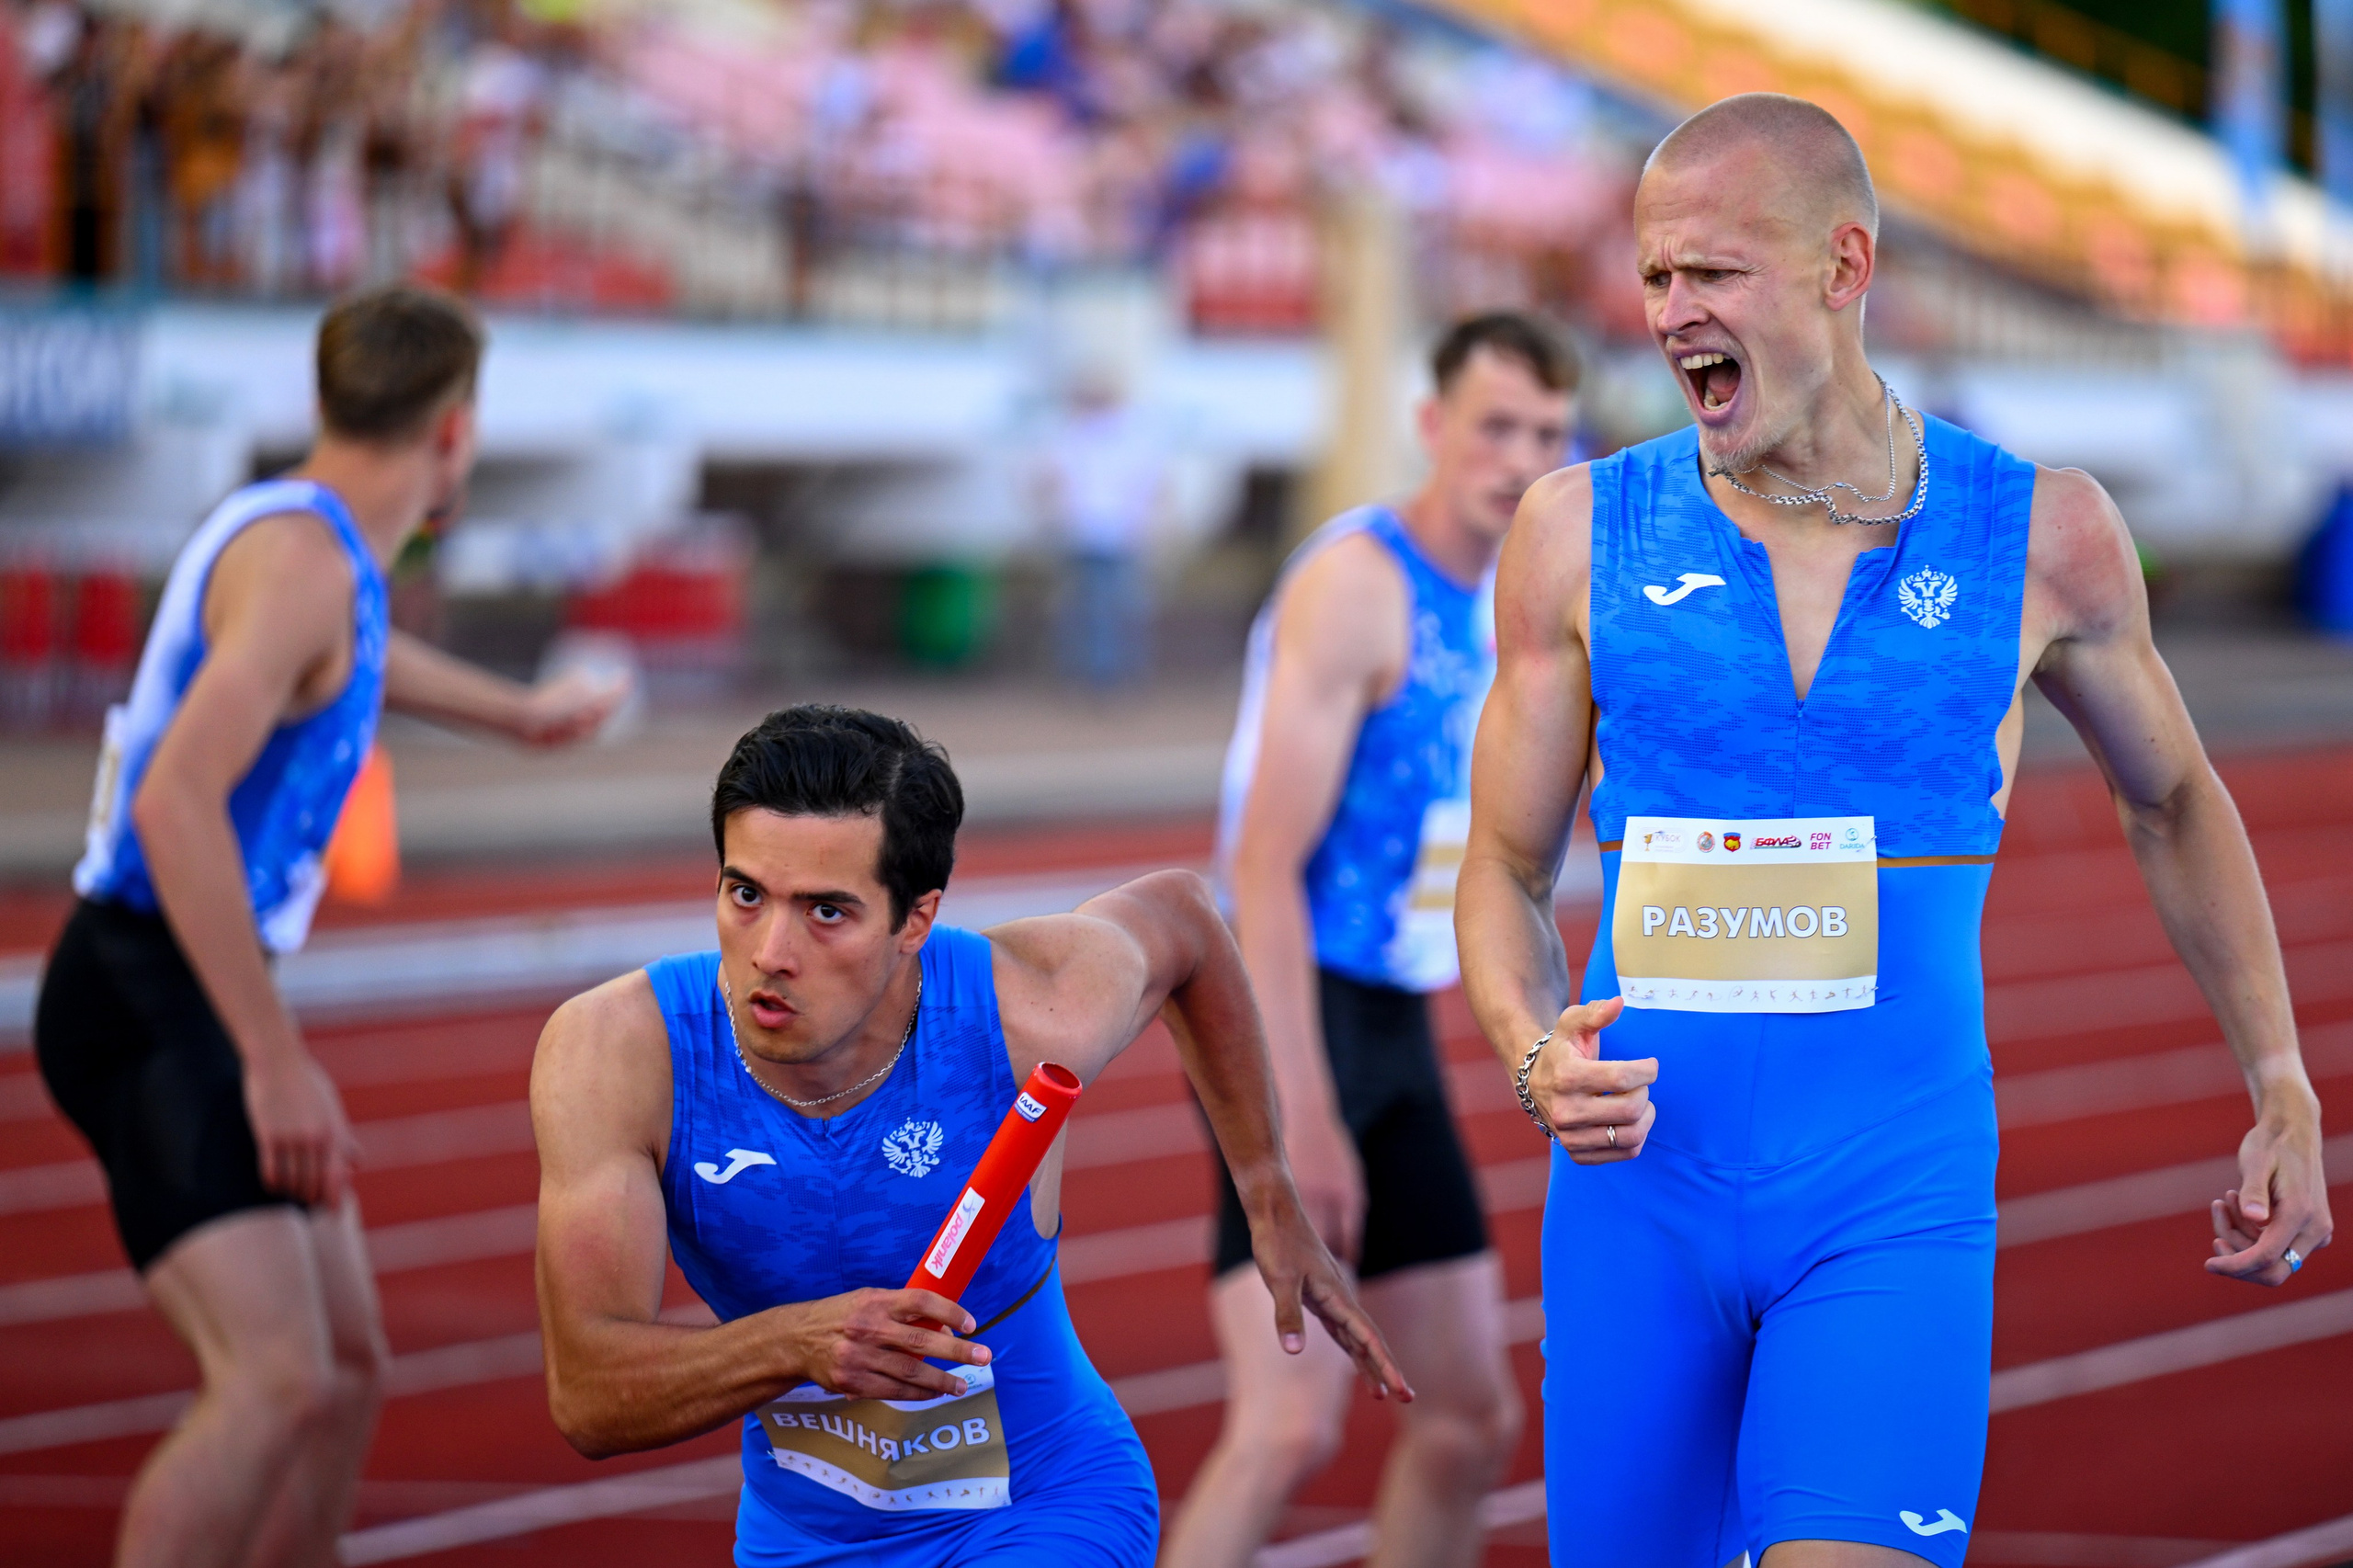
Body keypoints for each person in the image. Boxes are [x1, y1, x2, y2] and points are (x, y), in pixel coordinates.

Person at [1453, 94, 2334, 1568]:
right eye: (1655, 276)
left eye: (1713, 272)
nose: (1672, 313)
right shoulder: (1573, 533)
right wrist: (1531, 1048)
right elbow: (1506, 865)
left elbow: (2173, 796)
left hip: (1891, 1194)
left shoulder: (2038, 532)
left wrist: (2282, 1072)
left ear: (1841, 268)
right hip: (1636, 1205)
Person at [35, 282, 626, 1568]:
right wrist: (272, 1059)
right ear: (456, 430)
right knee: (274, 1381)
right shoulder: (305, 564)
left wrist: (523, 716)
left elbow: (357, 653)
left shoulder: (313, 547)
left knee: (348, 1364)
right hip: (150, 986)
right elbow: (175, 798)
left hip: (191, 977)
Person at [529, 705, 1409, 1568]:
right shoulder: (619, 1054)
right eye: (746, 894)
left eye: (827, 912)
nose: (771, 951)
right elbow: (590, 1398)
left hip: (1045, 1504)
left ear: (916, 919)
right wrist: (799, 1344)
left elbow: (1185, 920)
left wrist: (1266, 1187)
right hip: (806, 1540)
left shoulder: (1028, 1008)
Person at [1164, 312, 1575, 1568]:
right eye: (1496, 425)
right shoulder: (1359, 586)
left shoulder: (1535, 596)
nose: (1519, 456)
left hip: (1393, 1018)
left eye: (1549, 434)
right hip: (1292, 1009)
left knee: (1468, 1417)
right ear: (1434, 425)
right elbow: (1264, 867)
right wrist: (1299, 1107)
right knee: (1287, 1423)